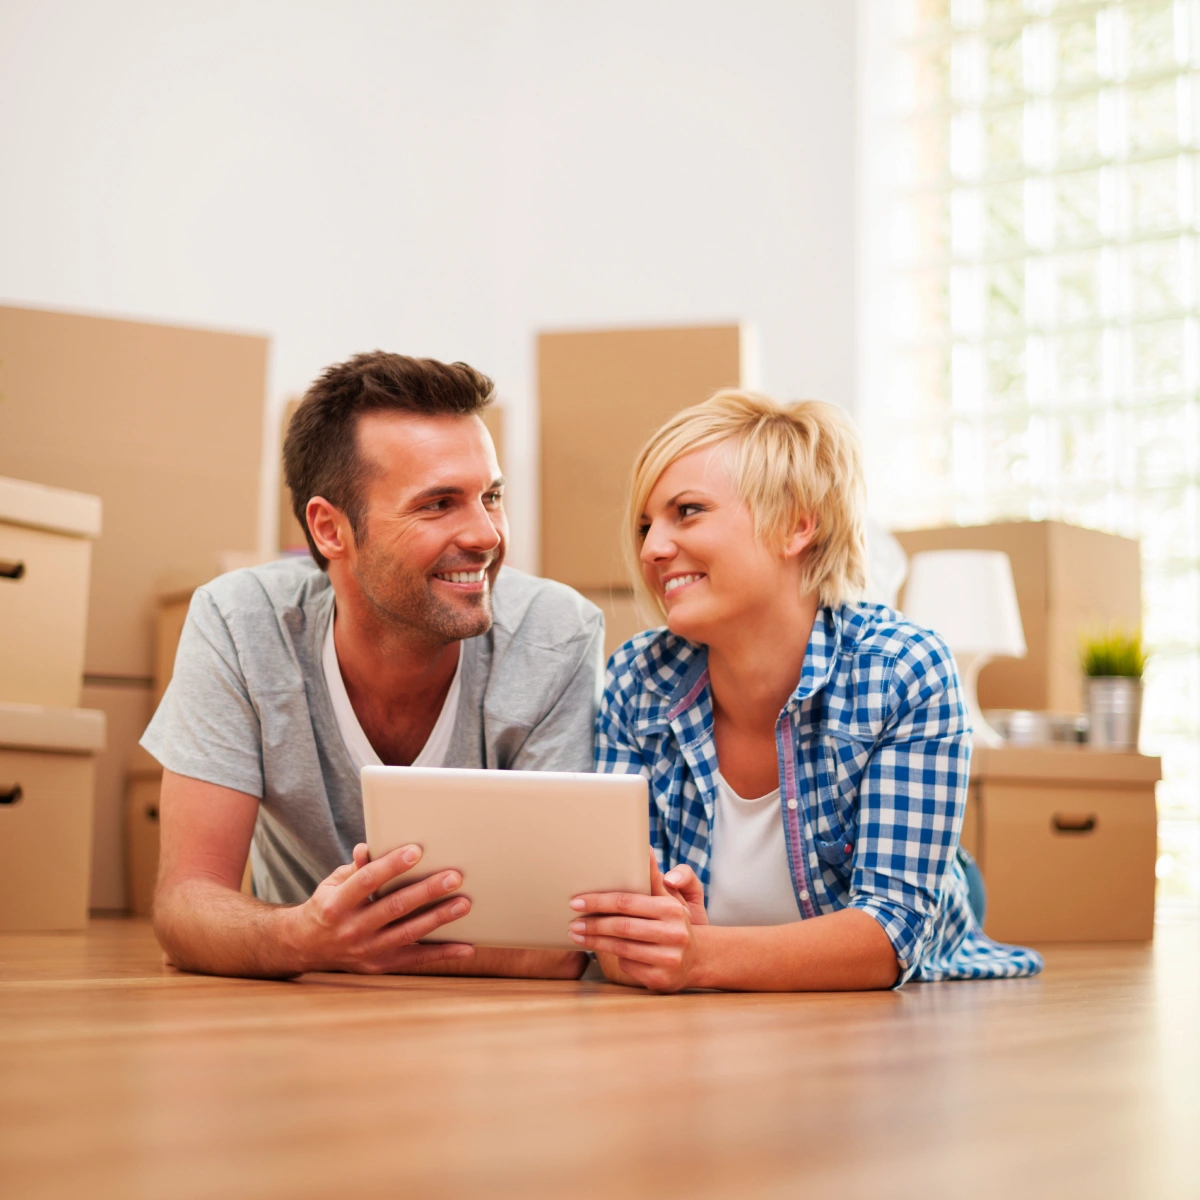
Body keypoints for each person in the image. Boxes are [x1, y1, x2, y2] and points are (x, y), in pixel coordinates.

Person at [143, 351, 601, 981]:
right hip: (295, 1022)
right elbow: (184, 907)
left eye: (490, 496)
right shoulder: (239, 624)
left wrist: (340, 946)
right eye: (439, 504)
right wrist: (298, 938)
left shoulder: (557, 635)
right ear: (330, 530)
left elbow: (557, 946)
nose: (487, 535)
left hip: (491, 1038)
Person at [568, 390, 1043, 992]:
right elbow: (616, 927)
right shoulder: (637, 678)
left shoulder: (904, 669)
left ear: (797, 524)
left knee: (944, 886)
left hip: (917, 924)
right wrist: (645, 939)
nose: (651, 549)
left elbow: (889, 935)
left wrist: (699, 955)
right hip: (728, 972)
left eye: (686, 511)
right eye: (644, 525)